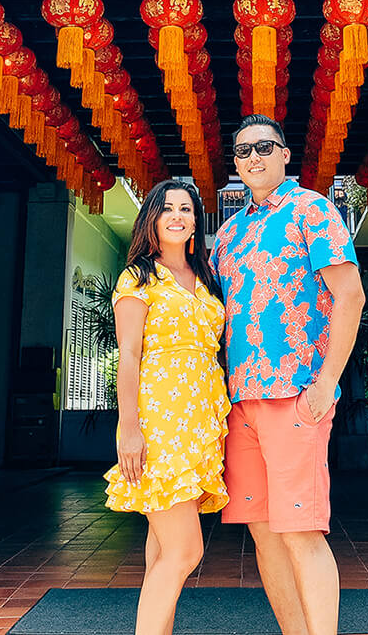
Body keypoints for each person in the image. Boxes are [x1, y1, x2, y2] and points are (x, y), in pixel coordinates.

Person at [210, 115, 367, 635]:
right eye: (242, 151)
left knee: (301, 530)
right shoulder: (228, 235)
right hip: (241, 403)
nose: (252, 157)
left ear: (284, 155)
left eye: (263, 147)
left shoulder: (313, 211)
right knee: (262, 530)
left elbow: (351, 295)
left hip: (295, 394)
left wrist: (325, 383)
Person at [103, 177, 231, 635]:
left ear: (196, 220)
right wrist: (128, 428)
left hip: (201, 423)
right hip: (160, 422)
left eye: (186, 208)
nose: (177, 215)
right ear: (152, 220)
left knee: (161, 551)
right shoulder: (138, 276)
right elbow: (130, 354)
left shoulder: (208, 278)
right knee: (185, 552)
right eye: (167, 208)